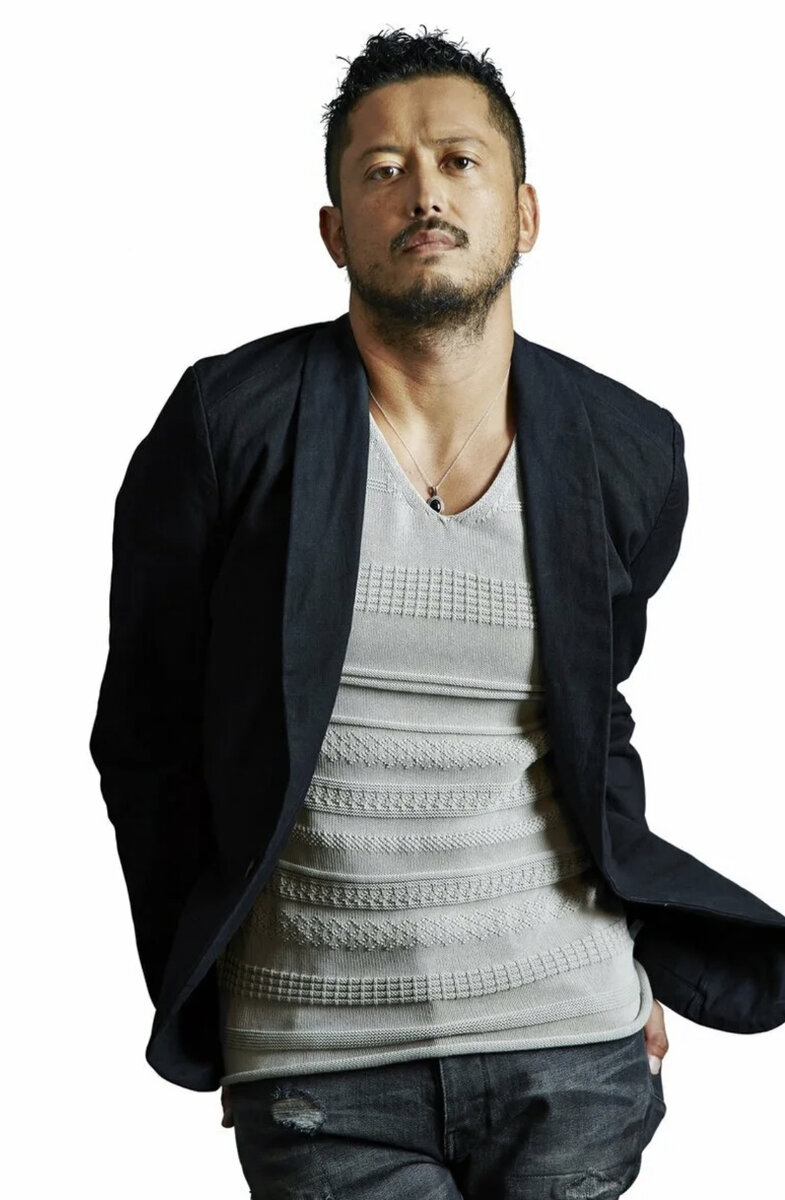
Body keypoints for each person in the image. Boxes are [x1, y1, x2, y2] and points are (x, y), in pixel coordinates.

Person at [89, 24, 785, 1200]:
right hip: (321, 1064)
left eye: (458, 161)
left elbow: (593, 719)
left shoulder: (625, 448)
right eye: (383, 169)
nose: (423, 193)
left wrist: (628, 945)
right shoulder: (228, 427)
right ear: (333, 230)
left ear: (523, 211)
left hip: (571, 1045)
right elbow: (145, 739)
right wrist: (202, 985)